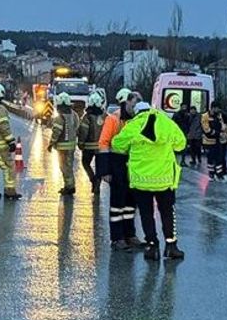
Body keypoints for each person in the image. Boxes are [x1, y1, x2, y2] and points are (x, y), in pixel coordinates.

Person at [112, 101, 187, 260]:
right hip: (164, 179)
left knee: (147, 214)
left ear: (137, 112)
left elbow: (117, 144)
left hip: (141, 180)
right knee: (167, 213)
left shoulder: (133, 125)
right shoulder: (166, 122)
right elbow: (181, 144)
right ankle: (171, 246)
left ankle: (152, 246)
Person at [99, 88, 144, 251]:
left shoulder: (139, 119)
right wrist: (105, 171)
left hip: (134, 165)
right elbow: (104, 143)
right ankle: (117, 238)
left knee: (131, 203)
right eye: (134, 104)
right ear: (126, 102)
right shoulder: (113, 119)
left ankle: (130, 234)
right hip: (116, 164)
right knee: (118, 203)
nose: (136, 107)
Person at [48, 92, 79, 195]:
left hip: (62, 147)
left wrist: (51, 144)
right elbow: (76, 127)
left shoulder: (59, 118)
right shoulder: (74, 115)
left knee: (64, 167)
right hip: (72, 146)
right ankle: (70, 185)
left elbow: (56, 132)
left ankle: (69, 187)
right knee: (69, 166)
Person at [77, 91, 106, 194]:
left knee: (85, 163)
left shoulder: (87, 117)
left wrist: (80, 143)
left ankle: (93, 180)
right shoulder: (105, 116)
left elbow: (84, 131)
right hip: (102, 148)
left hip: (88, 147)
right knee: (99, 167)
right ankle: (97, 182)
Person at [201, 101, 227, 181]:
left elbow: (223, 126)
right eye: (218, 108)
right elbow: (207, 130)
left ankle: (219, 174)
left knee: (219, 159)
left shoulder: (219, 116)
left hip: (218, 141)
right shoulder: (205, 116)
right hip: (208, 141)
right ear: (213, 108)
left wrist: (223, 130)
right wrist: (218, 133)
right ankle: (211, 174)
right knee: (210, 159)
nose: (219, 110)